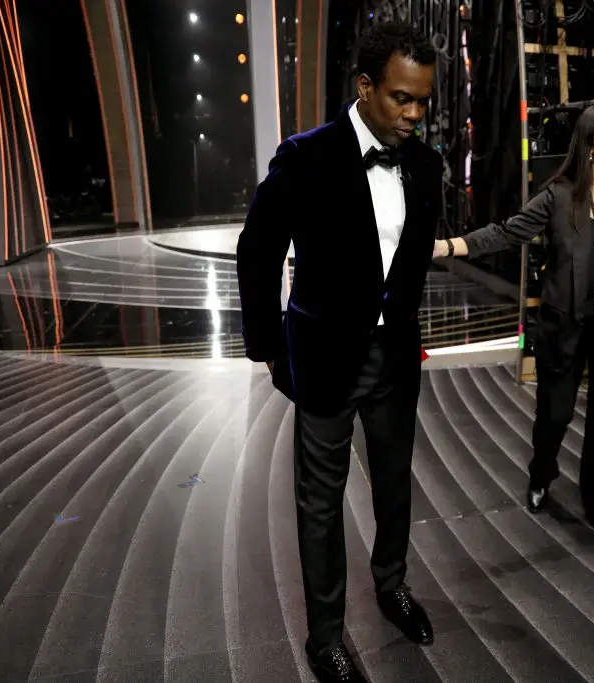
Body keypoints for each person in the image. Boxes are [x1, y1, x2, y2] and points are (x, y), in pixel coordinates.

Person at [237, 23, 439, 683]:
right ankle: (325, 639)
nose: (414, 114)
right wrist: (269, 346)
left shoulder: (426, 164)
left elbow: (407, 261)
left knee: (393, 486)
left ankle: (392, 586)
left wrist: (402, 327)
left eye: (423, 102)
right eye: (402, 98)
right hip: (324, 359)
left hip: (394, 357)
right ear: (365, 87)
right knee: (319, 504)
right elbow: (259, 252)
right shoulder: (306, 156)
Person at [432, 102, 594, 532]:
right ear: (590, 144)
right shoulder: (559, 196)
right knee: (555, 414)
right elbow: (506, 231)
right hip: (566, 324)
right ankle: (542, 473)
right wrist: (449, 246)